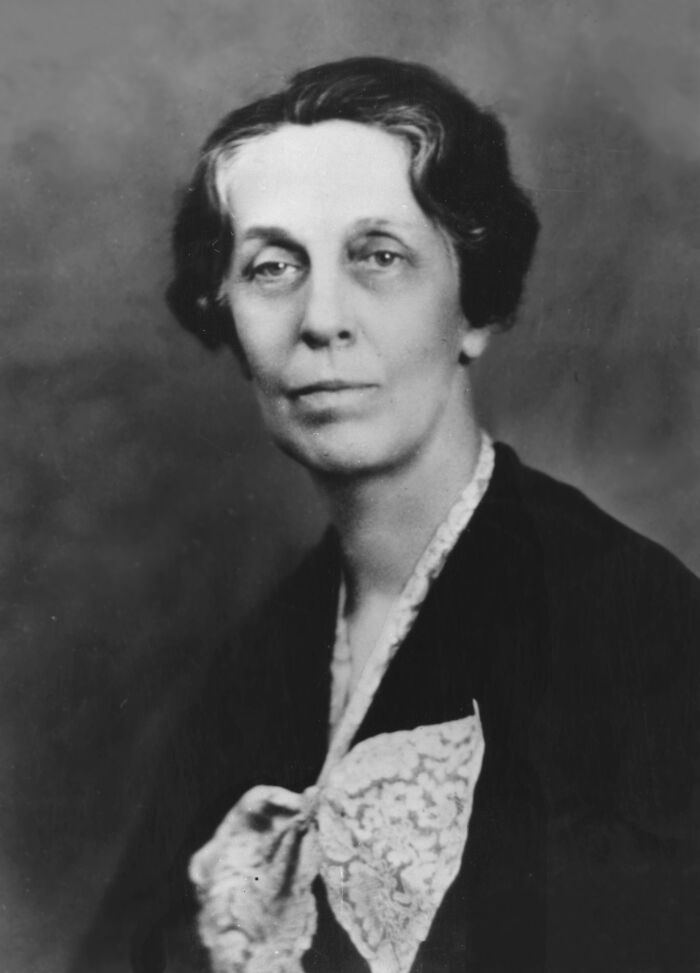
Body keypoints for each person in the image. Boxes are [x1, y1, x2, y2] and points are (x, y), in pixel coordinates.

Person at [74, 56, 700, 973]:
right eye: (273, 265)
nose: (321, 318)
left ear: (474, 309)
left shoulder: (635, 628)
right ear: (229, 314)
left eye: (378, 256)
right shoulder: (259, 658)